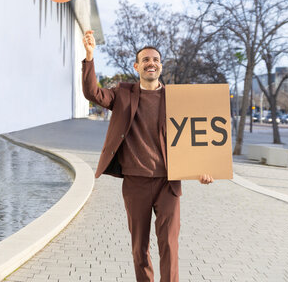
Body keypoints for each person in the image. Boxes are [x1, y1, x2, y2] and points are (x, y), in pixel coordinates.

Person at [81, 30, 214, 282]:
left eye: (155, 59)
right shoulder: (123, 93)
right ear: (136, 66)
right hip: (135, 182)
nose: (150, 63)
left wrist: (205, 168)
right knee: (139, 248)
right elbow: (92, 93)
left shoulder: (176, 99)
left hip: (168, 183)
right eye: (145, 60)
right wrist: (89, 58)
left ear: (161, 66)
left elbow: (196, 134)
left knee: (169, 246)